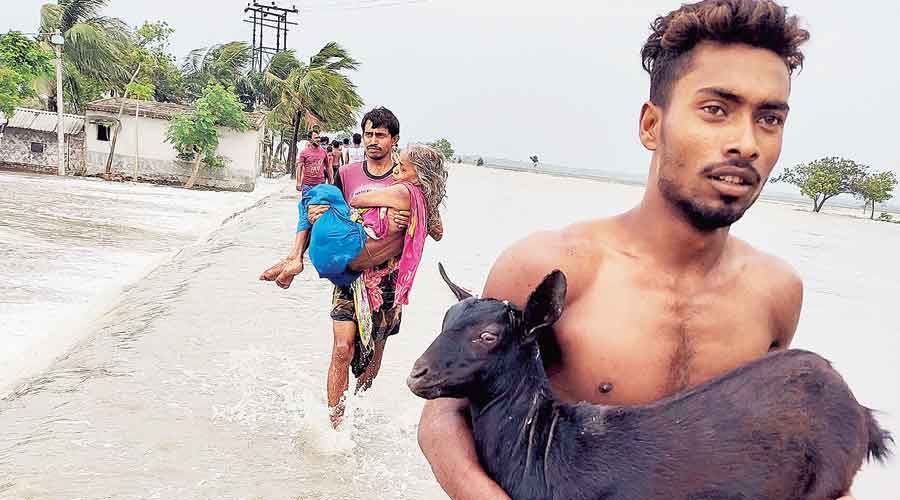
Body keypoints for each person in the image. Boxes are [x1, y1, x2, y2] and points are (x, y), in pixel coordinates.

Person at [417, 2, 856, 499]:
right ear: (651, 125)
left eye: (770, 118)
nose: (746, 142)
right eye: (716, 110)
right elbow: (446, 412)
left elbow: (781, 448)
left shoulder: (776, 293)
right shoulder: (551, 267)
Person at [261, 107, 444, 429]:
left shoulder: (406, 176)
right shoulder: (348, 173)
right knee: (342, 348)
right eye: (369, 134)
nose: (374, 141)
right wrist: (315, 224)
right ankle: (334, 424)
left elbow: (435, 228)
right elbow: (335, 215)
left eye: (381, 135)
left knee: (369, 363)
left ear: (394, 140)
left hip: (388, 278)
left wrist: (409, 216)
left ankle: (356, 406)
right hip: (351, 275)